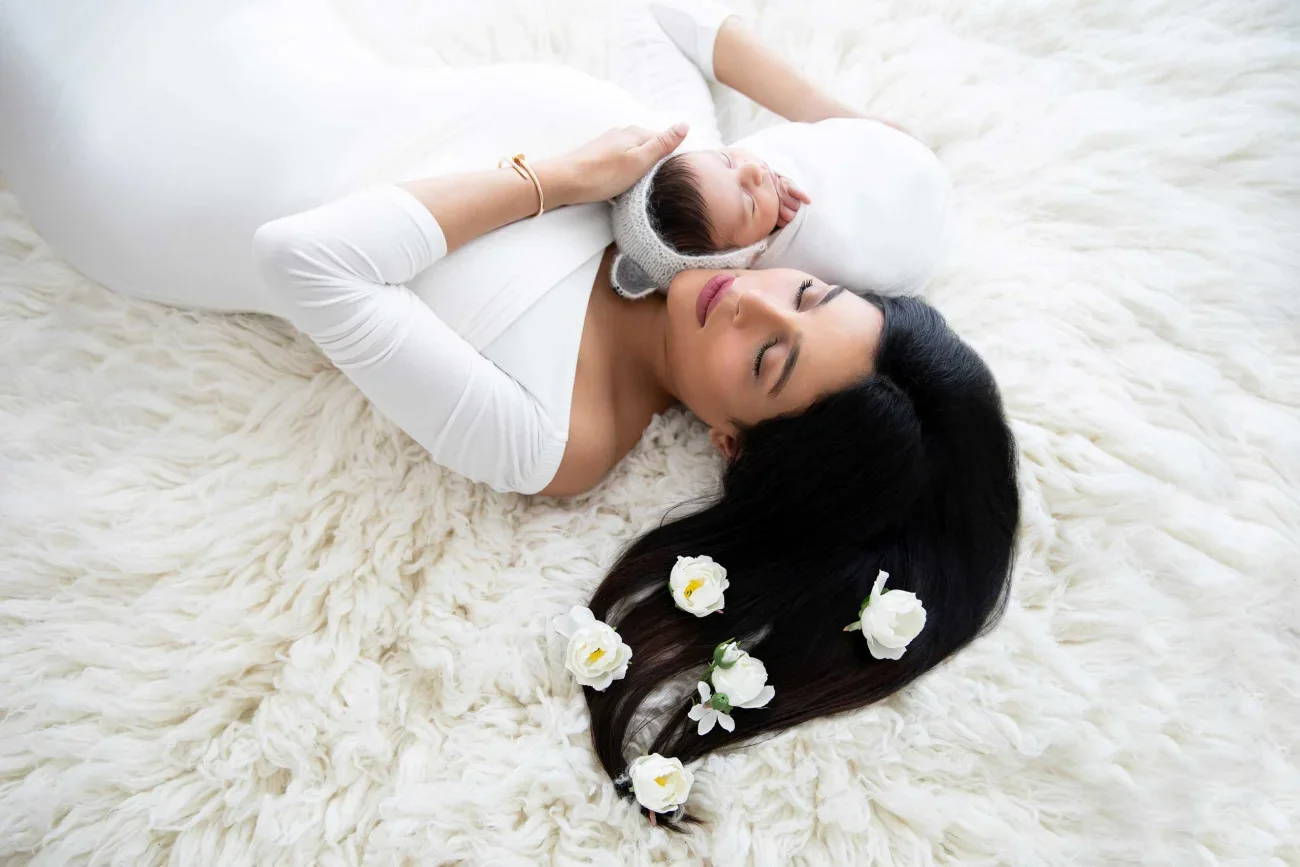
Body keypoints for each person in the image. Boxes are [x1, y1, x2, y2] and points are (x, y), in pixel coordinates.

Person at [0, 0, 1019, 824]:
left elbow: (303, 260)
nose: (746, 294)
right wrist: (852, 136)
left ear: (731, 440)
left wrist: (567, 179)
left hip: (135, 151)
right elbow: (661, 17)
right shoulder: (694, 195)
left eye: (763, 359)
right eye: (804, 293)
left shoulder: (559, 433)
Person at [609, 1, 955, 300]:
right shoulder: (792, 266)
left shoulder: (715, 182)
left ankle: (816, 117)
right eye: (749, 202)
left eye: (727, 161)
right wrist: (789, 229)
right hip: (909, 220)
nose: (755, 171)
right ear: (747, 257)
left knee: (654, 12)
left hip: (903, 170)